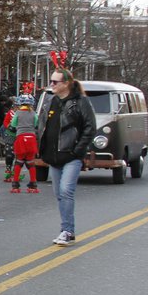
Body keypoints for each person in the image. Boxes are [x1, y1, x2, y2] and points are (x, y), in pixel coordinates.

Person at [36, 68, 96, 246]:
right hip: (54, 157)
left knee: (65, 191)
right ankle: (66, 229)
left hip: (71, 156)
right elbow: (43, 126)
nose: (52, 85)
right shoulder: (51, 101)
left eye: (55, 82)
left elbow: (90, 127)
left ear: (66, 83)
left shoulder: (80, 102)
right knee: (58, 194)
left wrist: (78, 150)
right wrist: (42, 148)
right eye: (51, 81)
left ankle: (67, 230)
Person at [6, 94, 40, 193]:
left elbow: (13, 124)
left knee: (19, 162)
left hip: (21, 138)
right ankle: (33, 185)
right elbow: (36, 124)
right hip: (31, 138)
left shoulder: (18, 113)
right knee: (30, 162)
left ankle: (15, 185)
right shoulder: (34, 113)